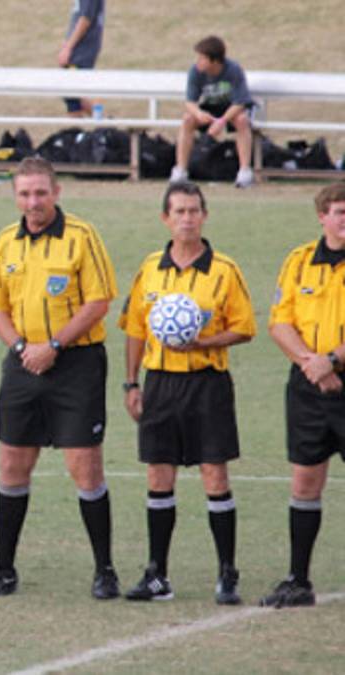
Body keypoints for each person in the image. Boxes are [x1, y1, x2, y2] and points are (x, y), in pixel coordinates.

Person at [0, 156, 120, 600]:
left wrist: (53, 346)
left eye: (40, 192)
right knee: (12, 464)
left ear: (56, 192)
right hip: (23, 363)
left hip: (76, 363)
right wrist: (23, 349)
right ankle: (3, 570)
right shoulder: (6, 241)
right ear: (15, 196)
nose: (33, 201)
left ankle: (105, 570)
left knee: (84, 467)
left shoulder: (81, 236)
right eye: (24, 193)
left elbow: (98, 302)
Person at [118, 182, 254, 604]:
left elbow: (245, 328)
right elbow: (135, 330)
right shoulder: (149, 268)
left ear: (204, 216)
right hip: (160, 383)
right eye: (179, 211)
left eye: (194, 211)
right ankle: (157, 575)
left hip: (207, 383)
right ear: (166, 218)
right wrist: (131, 383)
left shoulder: (224, 270)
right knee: (159, 475)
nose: (187, 219)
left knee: (214, 475)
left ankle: (227, 574)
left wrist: (203, 343)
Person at [261, 181, 345, 609]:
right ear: (322, 216)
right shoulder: (298, 261)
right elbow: (280, 322)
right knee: (305, 480)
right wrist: (311, 364)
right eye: (339, 212)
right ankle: (298, 580)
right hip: (308, 387)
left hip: (337, 376)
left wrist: (331, 359)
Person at [170, 36, 255, 188]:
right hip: (209, 107)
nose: (198, 61)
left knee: (242, 120)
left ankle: (244, 172)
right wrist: (198, 114)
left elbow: (240, 102)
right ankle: (180, 171)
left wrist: (222, 121)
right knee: (188, 119)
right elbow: (190, 102)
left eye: (202, 58)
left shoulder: (233, 70)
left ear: (215, 61)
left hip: (230, 108)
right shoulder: (195, 71)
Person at [57, 0, 106, 117]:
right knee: (72, 94)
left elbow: (85, 19)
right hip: (81, 48)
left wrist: (68, 47)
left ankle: (104, 123)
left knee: (71, 92)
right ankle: (104, 122)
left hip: (81, 49)